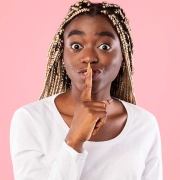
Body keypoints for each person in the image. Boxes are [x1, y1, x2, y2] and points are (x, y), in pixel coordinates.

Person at [10, 0, 163, 179]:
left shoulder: (144, 124)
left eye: (104, 46)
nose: (89, 57)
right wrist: (74, 139)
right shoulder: (31, 120)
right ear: (62, 55)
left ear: (123, 56)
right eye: (76, 46)